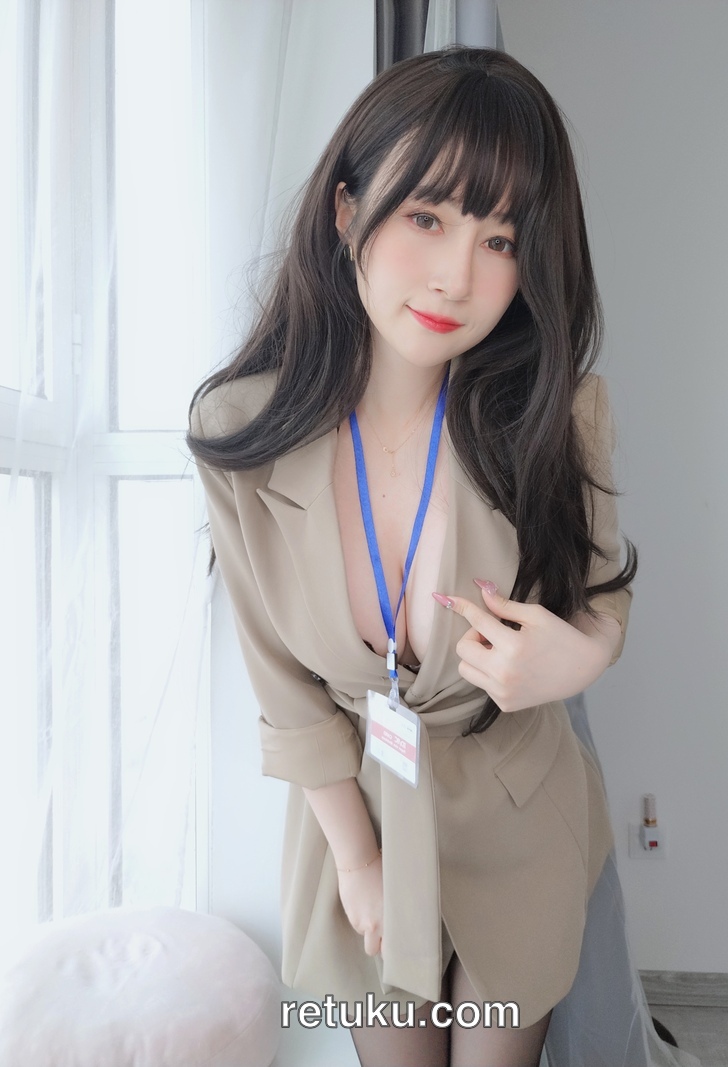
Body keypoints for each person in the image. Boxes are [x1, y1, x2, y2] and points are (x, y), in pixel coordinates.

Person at [187, 46, 636, 1067]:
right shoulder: (239, 433)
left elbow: (603, 594)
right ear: (347, 209)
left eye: (500, 238)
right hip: (361, 814)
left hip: (517, 805)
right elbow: (283, 684)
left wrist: (578, 656)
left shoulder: (561, 414)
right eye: (427, 217)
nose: (457, 277)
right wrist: (355, 858)